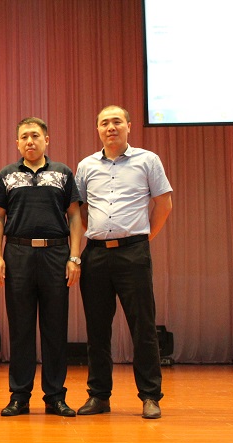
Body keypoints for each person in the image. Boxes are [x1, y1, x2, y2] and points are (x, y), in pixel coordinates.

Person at [75, 105, 173, 419]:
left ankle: (150, 396)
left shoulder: (148, 160)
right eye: (104, 123)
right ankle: (99, 396)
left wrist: (144, 238)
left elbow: (164, 204)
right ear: (98, 129)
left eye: (117, 121)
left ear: (129, 126)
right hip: (96, 254)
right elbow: (79, 211)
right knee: (97, 329)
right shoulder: (86, 165)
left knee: (143, 326)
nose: (111, 127)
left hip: (134, 253)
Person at [0, 117, 83, 417]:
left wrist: (75, 257)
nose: (30, 141)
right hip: (17, 253)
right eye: (24, 137)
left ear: (46, 140)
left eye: (35, 136)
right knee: (21, 328)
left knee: (55, 328)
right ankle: (19, 396)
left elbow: (75, 216)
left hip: (56, 254)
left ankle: (55, 396)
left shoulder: (63, 173)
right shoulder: (6, 175)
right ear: (17, 143)